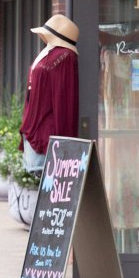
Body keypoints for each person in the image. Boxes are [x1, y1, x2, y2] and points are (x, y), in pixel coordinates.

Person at [19, 14, 80, 170]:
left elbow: (64, 100)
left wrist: (64, 144)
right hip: (33, 126)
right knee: (39, 179)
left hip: (47, 131)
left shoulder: (64, 57)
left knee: (46, 180)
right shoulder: (48, 53)